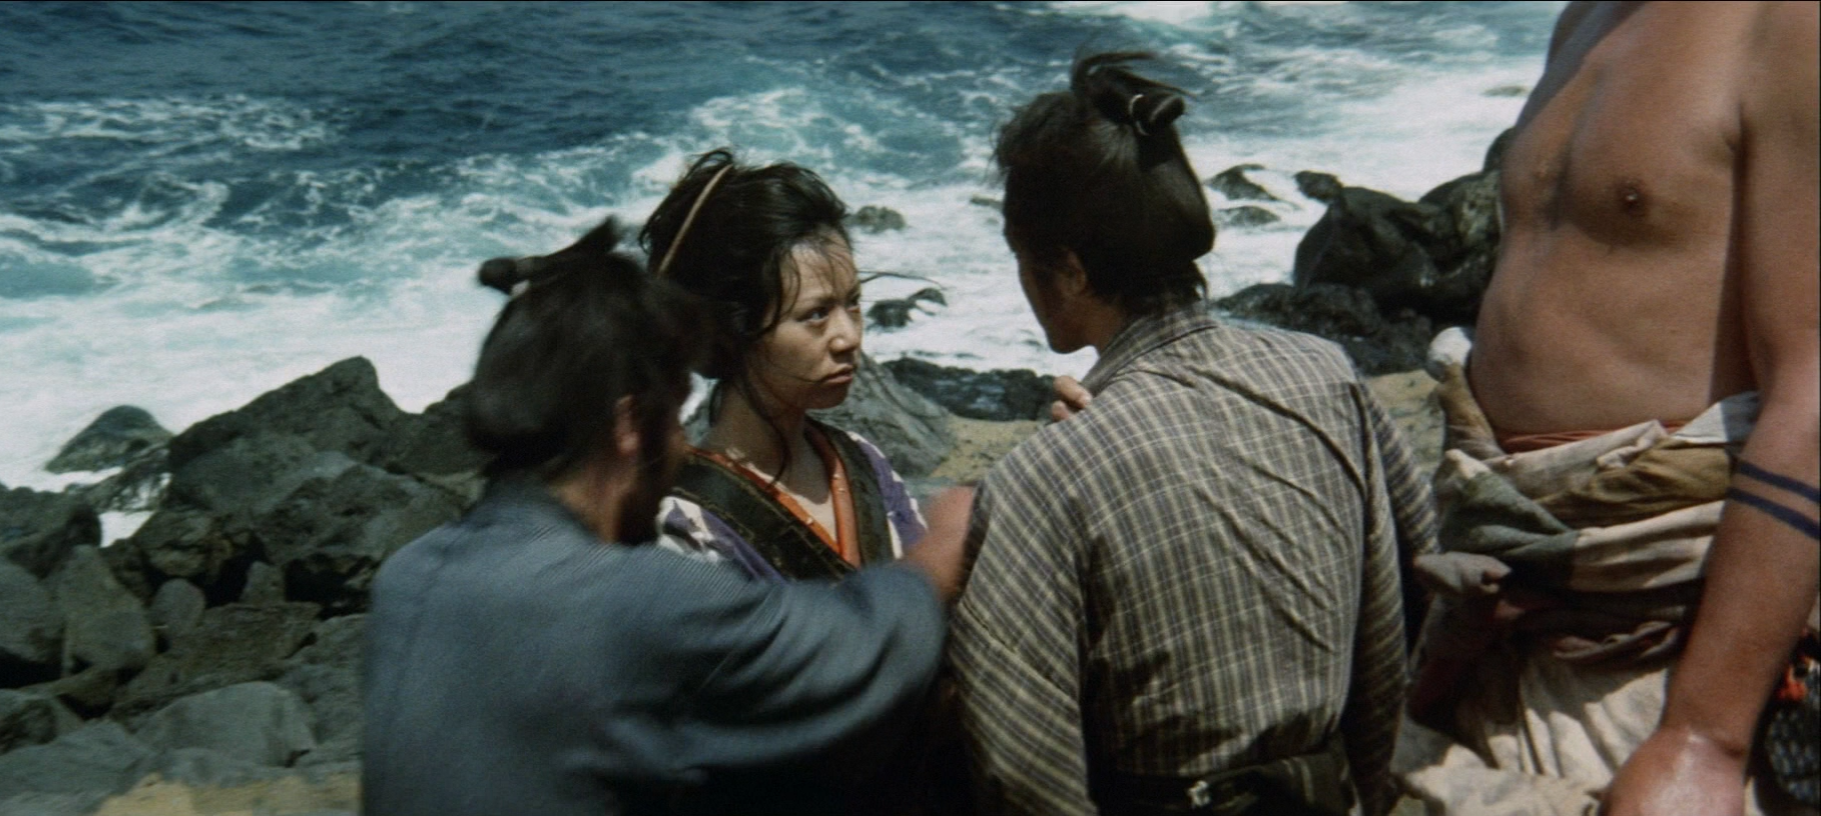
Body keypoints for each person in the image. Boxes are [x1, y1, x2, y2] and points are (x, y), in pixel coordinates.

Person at [948, 52, 1436, 816]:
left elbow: (1024, 770)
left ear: (1069, 270)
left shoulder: (1045, 476)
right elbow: (1413, 596)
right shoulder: (1328, 376)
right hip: (1333, 791)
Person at [360, 220, 975, 816]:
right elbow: (858, 651)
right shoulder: (639, 599)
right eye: (676, 416)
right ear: (629, 426)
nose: (683, 446)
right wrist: (941, 545)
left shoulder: (405, 581)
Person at [1393, 3, 1820, 815]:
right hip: (1511, 601)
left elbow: (1814, 387)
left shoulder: (1793, 27)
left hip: (1665, 657)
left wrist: (1705, 737)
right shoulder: (1587, 16)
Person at [641, 149, 928, 582]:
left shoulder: (863, 462)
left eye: (853, 303)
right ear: (733, 330)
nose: (849, 337)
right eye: (816, 314)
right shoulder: (687, 529)